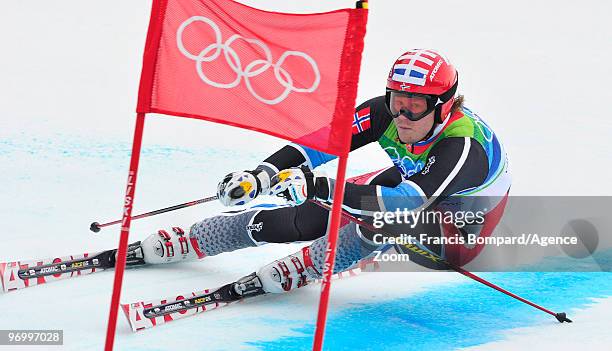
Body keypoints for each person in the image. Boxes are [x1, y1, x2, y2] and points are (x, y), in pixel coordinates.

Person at [128, 49, 511, 296]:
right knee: (314, 213)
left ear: (443, 106)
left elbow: (404, 204)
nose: (402, 115)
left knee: (377, 221)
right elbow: (322, 144)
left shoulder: (462, 148)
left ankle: (312, 264)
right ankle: (205, 237)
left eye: (416, 105)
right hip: (414, 181)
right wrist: (263, 173)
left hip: (459, 223)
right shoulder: (386, 112)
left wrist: (319, 186)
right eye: (398, 100)